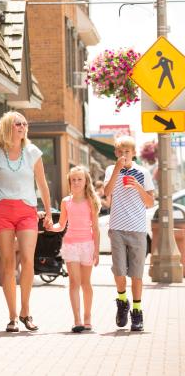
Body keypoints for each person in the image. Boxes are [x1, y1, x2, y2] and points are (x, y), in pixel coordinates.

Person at [0, 111, 51, 332]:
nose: (22, 127)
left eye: (25, 124)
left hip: (27, 210)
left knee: (28, 260)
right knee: (8, 264)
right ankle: (12, 317)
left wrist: (48, 212)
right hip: (2, 211)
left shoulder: (33, 153)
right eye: (18, 123)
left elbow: (43, 184)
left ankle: (25, 311)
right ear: (8, 126)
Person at [104, 136, 154, 332]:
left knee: (137, 274)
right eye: (120, 151)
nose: (124, 155)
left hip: (138, 229)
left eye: (127, 151)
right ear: (116, 153)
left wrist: (138, 186)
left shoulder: (143, 172)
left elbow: (150, 202)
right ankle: (122, 300)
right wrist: (117, 169)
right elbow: (107, 193)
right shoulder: (111, 170)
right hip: (116, 227)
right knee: (118, 271)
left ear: (133, 153)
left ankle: (137, 311)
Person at [48, 166, 100, 333]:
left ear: (86, 182)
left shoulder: (91, 201)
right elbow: (61, 225)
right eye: (73, 180)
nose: (76, 182)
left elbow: (96, 229)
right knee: (73, 283)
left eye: (79, 179)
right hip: (70, 245)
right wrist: (51, 227)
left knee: (86, 283)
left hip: (87, 245)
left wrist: (97, 251)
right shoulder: (65, 202)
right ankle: (77, 320)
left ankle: (87, 317)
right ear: (69, 182)